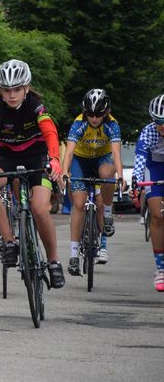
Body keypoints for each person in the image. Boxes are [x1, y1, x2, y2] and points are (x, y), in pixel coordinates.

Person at [0, 59, 66, 289]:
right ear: (0, 91)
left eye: (17, 89)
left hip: (37, 159)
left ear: (26, 88)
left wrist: (55, 160)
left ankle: (54, 261)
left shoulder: (35, 104)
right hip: (8, 159)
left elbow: (50, 132)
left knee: (39, 208)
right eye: (6, 90)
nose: (12, 95)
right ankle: (9, 241)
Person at [61, 89, 123, 275]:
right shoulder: (79, 123)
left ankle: (107, 212)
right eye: (91, 114)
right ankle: (73, 255)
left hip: (102, 158)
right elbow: (70, 152)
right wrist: (64, 172)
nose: (94, 118)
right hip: (81, 160)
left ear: (106, 112)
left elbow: (115, 153)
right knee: (78, 204)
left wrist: (120, 174)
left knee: (106, 172)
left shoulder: (112, 124)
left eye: (99, 115)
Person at [132, 94, 164, 292]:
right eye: (158, 121)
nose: (161, 126)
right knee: (158, 215)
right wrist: (136, 182)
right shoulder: (148, 133)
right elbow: (139, 162)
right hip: (155, 168)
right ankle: (161, 269)